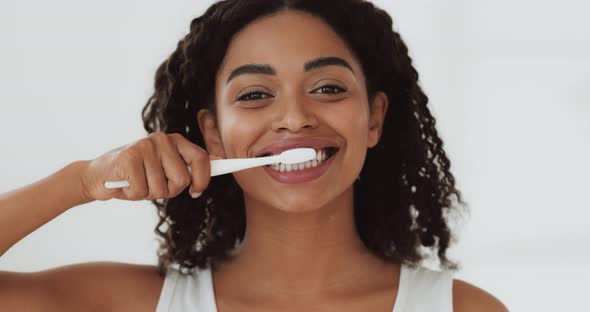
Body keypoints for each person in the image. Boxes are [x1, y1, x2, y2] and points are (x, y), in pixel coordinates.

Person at [0, 0, 508, 311]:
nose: (293, 117)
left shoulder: (463, 310)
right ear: (213, 135)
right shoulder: (132, 304)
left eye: (328, 87)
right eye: (254, 94)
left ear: (373, 118)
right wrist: (82, 181)